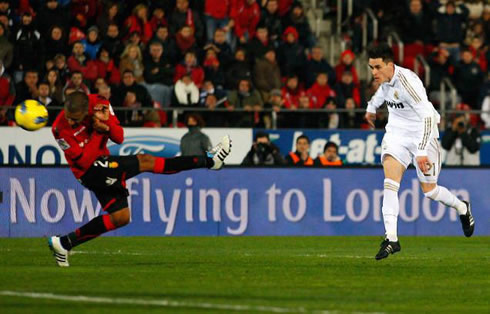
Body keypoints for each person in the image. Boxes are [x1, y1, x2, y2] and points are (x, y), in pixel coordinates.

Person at [48, 92, 232, 267]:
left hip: (103, 163)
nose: (70, 121)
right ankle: (209, 160)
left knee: (120, 217)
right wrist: (98, 132)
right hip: (88, 171)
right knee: (146, 161)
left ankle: (64, 243)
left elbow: (119, 137)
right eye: (69, 116)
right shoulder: (59, 128)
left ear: (87, 109)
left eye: (75, 118)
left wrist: (107, 127)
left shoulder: (100, 104)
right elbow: (83, 161)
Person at [364, 43, 475, 260]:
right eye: (371, 68)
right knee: (390, 183)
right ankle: (391, 239)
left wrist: (422, 151)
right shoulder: (384, 80)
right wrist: (371, 107)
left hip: (422, 134)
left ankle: (462, 207)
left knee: (430, 191)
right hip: (397, 134)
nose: (373, 73)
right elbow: (382, 93)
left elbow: (428, 117)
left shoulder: (409, 82)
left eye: (377, 67)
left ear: (389, 65)